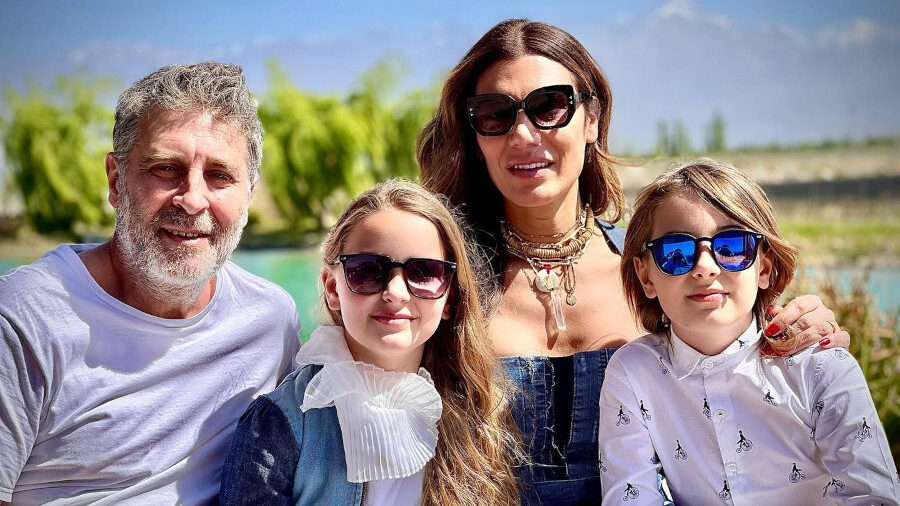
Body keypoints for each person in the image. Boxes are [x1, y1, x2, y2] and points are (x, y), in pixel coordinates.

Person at [416, 18, 850, 504]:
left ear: (592, 119)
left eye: (548, 106)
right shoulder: (438, 282)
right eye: (495, 114)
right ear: (475, 133)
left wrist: (804, 331)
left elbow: (749, 391)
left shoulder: (664, 266)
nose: (523, 133)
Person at [0, 63, 300, 505]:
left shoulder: (271, 321)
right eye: (166, 168)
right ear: (116, 181)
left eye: (220, 175)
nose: (193, 198)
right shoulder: (24, 320)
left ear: (249, 196)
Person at [598, 159, 899, 504]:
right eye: (676, 253)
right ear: (646, 276)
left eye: (732, 247)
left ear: (764, 267)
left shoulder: (819, 366)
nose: (705, 268)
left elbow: (873, 496)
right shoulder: (633, 374)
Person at [219, 180, 520, 505]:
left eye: (424, 272)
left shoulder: (477, 411)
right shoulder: (280, 424)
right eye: (367, 271)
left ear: (449, 297)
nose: (395, 293)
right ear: (333, 289)